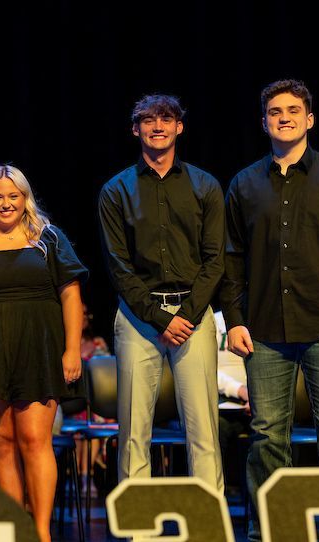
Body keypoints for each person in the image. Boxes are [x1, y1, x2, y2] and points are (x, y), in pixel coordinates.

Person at [220, 79, 319, 541]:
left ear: (309, 119)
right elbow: (231, 259)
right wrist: (234, 320)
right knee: (269, 435)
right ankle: (272, 530)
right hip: (266, 329)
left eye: (294, 110)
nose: (285, 117)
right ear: (264, 122)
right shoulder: (245, 184)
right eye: (275, 111)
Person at [96, 94, 225, 492]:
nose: (157, 126)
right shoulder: (116, 190)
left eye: (166, 119)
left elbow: (215, 259)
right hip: (138, 319)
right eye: (148, 120)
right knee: (135, 432)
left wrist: (183, 315)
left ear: (178, 127)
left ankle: (210, 526)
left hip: (193, 314)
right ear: (135, 129)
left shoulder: (205, 185)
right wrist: (159, 319)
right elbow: (118, 267)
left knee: (203, 430)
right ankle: (138, 529)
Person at [0, 165, 87, 540]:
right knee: (2, 443)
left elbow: (71, 295)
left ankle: (41, 532)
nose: (7, 203)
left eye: (14, 196)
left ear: (25, 199)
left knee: (34, 441)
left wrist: (72, 350)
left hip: (39, 349)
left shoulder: (49, 239)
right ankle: (16, 529)